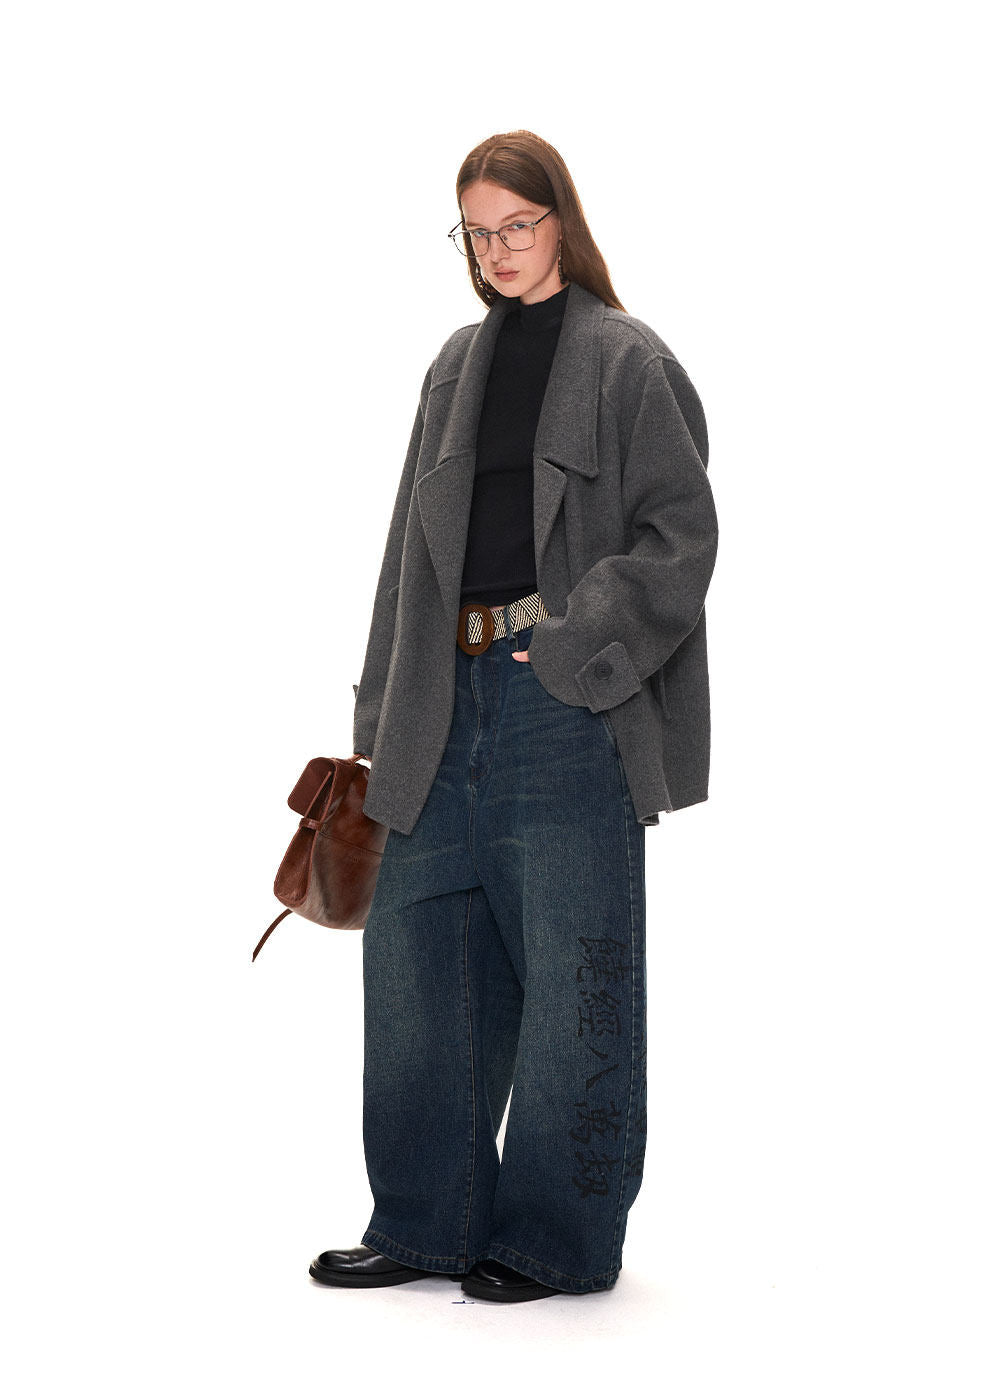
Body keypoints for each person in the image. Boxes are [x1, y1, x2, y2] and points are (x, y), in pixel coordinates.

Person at [309, 130, 719, 1303]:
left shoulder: (628, 360)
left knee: (577, 973)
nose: (496, 250)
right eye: (477, 232)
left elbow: (681, 535)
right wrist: (381, 710)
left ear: (560, 223)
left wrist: (580, 642)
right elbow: (408, 549)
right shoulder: (454, 366)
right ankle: (425, 1223)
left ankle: (555, 1240)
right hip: (440, 698)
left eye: (516, 227)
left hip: (562, 699)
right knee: (415, 961)